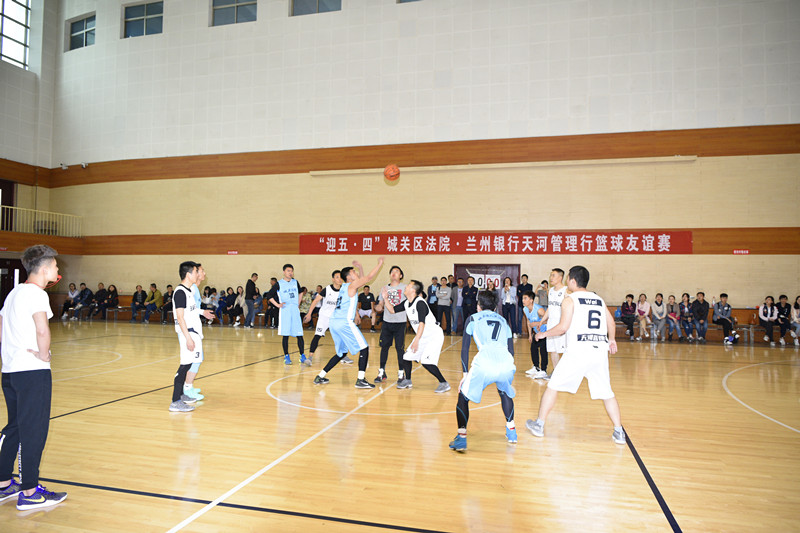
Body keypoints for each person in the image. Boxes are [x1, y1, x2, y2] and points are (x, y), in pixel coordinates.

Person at [0, 244, 68, 510]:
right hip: (32, 371)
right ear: (45, 268)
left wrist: (10, 354)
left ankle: (4, 483)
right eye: (55, 265)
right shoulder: (37, 294)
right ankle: (29, 491)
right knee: (34, 431)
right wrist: (43, 354)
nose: (58, 269)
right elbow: (42, 329)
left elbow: (2, 328)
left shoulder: (14, 293)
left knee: (15, 427)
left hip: (11, 371)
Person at [526, 265, 625, 445]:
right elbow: (611, 322)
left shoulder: (570, 300)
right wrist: (612, 340)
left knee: (553, 386)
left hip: (578, 350)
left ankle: (539, 425)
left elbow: (563, 327)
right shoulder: (598, 299)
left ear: (572, 281)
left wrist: (543, 334)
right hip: (599, 351)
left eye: (568, 278)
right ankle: (619, 432)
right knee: (607, 393)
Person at [448, 290, 517, 452]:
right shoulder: (504, 321)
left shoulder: (472, 318)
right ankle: (512, 432)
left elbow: (465, 348)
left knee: (463, 396)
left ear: (478, 306)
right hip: (506, 362)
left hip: (485, 362)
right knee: (504, 392)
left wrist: (465, 375)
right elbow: (511, 350)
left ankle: (461, 438)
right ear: (495, 307)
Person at [313, 258, 384, 389]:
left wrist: (360, 267)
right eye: (354, 272)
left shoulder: (345, 287)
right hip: (344, 322)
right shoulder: (351, 286)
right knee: (364, 348)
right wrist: (379, 264)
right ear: (349, 277)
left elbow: (362, 280)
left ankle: (320, 376)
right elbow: (368, 278)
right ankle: (360, 380)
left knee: (341, 353)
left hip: (334, 322)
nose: (356, 273)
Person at [381, 280, 449, 392]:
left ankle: (444, 383)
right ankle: (408, 380)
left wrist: (416, 340)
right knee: (406, 357)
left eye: (408, 285)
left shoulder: (420, 303)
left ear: (413, 290)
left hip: (433, 335)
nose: (406, 287)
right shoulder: (407, 303)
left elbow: (422, 323)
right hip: (422, 335)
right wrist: (385, 298)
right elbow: (392, 310)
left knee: (426, 362)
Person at [170, 261, 214, 412]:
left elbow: (191, 310)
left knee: (189, 364)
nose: (198, 274)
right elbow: (180, 317)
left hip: (193, 332)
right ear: (188, 274)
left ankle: (181, 395)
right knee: (184, 366)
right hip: (187, 333)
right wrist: (188, 337)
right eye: (196, 271)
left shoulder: (188, 291)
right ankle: (175, 401)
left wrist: (203, 312)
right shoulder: (180, 292)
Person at [183, 265, 214, 401]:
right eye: (201, 271)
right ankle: (187, 388)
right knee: (194, 361)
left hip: (195, 328)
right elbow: (186, 310)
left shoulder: (195, 288)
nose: (204, 273)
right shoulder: (191, 289)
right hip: (191, 329)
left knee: (196, 360)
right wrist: (202, 312)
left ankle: (188, 386)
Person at [267, 264, 307, 365]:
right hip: (285, 310)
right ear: (284, 272)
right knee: (285, 335)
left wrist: (298, 303)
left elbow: (301, 292)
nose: (290, 273)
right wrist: (278, 305)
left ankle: (302, 355)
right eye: (288, 271)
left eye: (292, 271)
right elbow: (269, 295)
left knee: (299, 334)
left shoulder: (295, 282)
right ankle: (286, 356)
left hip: (295, 310)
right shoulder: (279, 284)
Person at [373, 265, 407, 382]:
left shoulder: (405, 288)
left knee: (400, 348)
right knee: (384, 347)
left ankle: (401, 373)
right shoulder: (384, 288)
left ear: (401, 275)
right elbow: (380, 304)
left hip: (400, 322)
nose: (394, 273)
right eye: (392, 271)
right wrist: (378, 307)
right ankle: (381, 372)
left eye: (397, 271)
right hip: (387, 322)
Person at [304, 270, 343, 366]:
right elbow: (315, 301)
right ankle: (310, 358)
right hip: (324, 317)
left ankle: (342, 355)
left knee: (341, 337)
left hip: (336, 317)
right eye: (337, 277)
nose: (339, 279)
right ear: (333, 279)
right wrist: (309, 314)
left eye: (341, 277)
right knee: (317, 335)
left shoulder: (343, 290)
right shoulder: (327, 289)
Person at [540, 268, 567, 370]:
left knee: (563, 350)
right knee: (552, 350)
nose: (550, 278)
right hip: (551, 324)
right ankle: (556, 373)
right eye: (550, 275)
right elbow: (550, 308)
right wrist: (542, 320)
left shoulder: (566, 290)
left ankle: (564, 373)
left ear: (560, 277)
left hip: (561, 325)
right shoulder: (550, 291)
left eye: (553, 275)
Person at [521, 290, 548, 379]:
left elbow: (549, 320)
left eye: (525, 298)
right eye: (523, 298)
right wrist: (530, 335)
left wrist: (537, 323)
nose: (523, 300)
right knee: (533, 349)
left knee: (543, 351)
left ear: (531, 300)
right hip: (536, 333)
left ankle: (543, 370)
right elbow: (528, 322)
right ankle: (536, 367)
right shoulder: (525, 309)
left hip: (545, 332)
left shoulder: (539, 310)